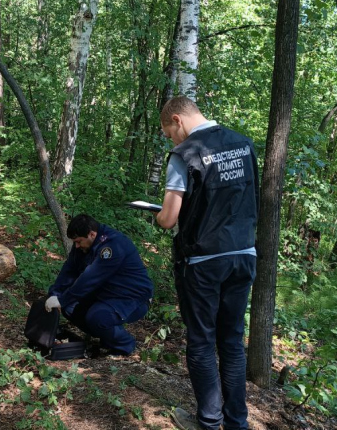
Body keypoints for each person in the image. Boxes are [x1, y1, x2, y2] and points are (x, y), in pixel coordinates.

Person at [154, 96, 259, 430]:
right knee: (231, 341)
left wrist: (157, 215)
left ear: (177, 119)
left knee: (201, 341)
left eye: (169, 132)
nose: (172, 139)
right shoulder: (243, 144)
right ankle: (237, 423)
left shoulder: (185, 154)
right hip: (243, 255)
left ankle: (209, 423)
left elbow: (169, 219)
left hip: (202, 261)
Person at [45, 214, 154, 356]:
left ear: (92, 234)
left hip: (132, 297)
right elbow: (69, 269)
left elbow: (90, 278)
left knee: (97, 317)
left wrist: (62, 299)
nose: (76, 246)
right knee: (70, 307)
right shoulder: (83, 245)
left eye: (79, 242)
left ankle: (124, 345)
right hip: (107, 294)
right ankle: (106, 336)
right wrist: (55, 294)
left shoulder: (112, 246)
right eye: (75, 242)